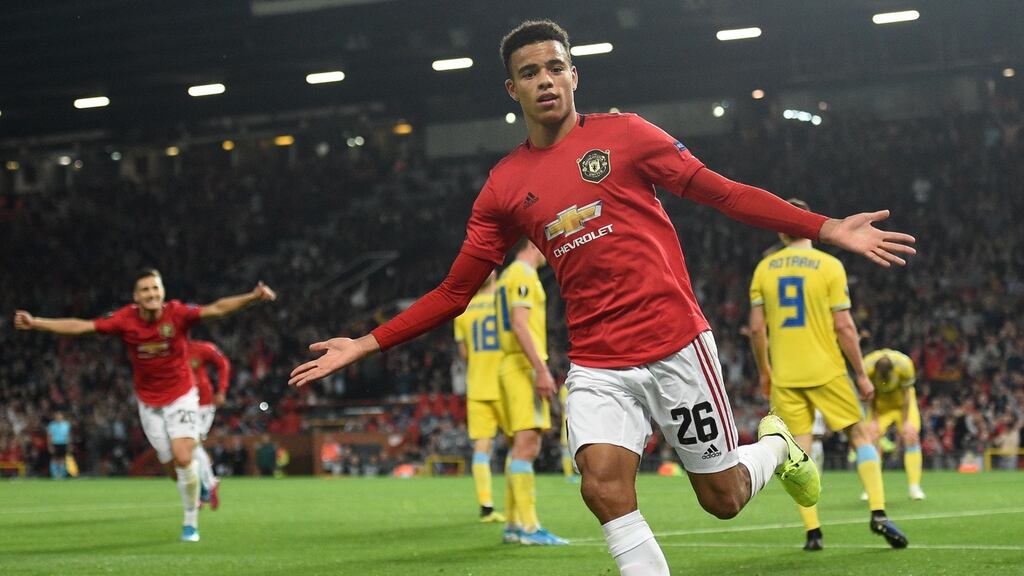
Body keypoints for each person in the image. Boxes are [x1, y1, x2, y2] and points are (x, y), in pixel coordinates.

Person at [289, 20, 915, 575]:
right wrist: (366, 343)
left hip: (676, 347)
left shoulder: (628, 135)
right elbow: (456, 290)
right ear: (512, 90)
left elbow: (719, 191)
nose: (545, 81)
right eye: (529, 72)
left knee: (722, 500)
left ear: (574, 75)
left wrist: (827, 227)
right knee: (602, 486)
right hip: (597, 366)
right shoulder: (503, 187)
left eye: (555, 68)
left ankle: (778, 444)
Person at [14, 268, 276, 542]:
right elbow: (82, 327)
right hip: (149, 403)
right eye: (146, 290)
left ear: (162, 292)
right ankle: (196, 485)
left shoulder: (177, 313)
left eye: (155, 288)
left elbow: (217, 309)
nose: (152, 294)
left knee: (184, 456)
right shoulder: (125, 319)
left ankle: (190, 523)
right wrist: (37, 323)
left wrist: (253, 297)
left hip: (182, 395)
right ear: (136, 296)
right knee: (173, 470)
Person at [748, 198, 909, 552]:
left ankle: (813, 532)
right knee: (860, 436)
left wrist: (764, 372)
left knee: (798, 454)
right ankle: (879, 512)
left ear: (780, 228)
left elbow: (757, 330)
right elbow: (845, 327)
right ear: (807, 223)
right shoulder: (829, 265)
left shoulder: (764, 269)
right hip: (828, 370)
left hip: (786, 376)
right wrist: (862, 376)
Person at [494, 240, 567, 545]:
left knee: (518, 448)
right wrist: (540, 368)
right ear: (534, 244)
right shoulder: (523, 274)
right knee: (528, 446)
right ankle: (528, 527)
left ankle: (513, 524)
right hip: (522, 368)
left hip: (509, 365)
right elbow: (521, 325)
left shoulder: (507, 277)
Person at [452, 271, 508, 523]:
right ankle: (519, 509)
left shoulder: (463, 310)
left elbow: (464, 354)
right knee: (521, 445)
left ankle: (486, 505)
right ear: (494, 274)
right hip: (506, 383)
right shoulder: (504, 301)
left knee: (482, 448)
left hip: (477, 385)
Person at [864, 348, 925, 500]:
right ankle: (871, 487)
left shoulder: (905, 366)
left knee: (910, 436)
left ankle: (914, 487)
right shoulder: (866, 367)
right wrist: (874, 421)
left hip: (902, 405)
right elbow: (870, 395)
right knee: (870, 439)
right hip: (880, 406)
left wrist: (905, 422)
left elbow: (906, 395)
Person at [188, 338, 231, 510]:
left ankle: (203, 489)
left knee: (191, 445)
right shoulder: (169, 350)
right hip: (180, 404)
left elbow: (223, 363)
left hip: (203, 404)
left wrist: (222, 390)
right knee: (185, 449)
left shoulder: (201, 348)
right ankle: (207, 486)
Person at [46, 411, 71, 479]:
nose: (58, 418)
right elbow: (49, 436)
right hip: (55, 443)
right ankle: (54, 475)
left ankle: (62, 475)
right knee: (54, 459)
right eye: (57, 416)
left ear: (62, 417)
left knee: (62, 459)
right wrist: (50, 445)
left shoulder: (66, 425)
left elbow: (68, 436)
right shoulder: (51, 425)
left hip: (63, 443)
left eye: (60, 416)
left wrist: (69, 445)